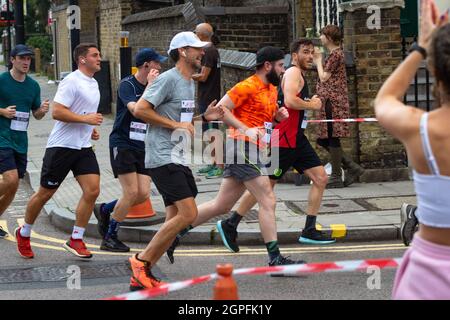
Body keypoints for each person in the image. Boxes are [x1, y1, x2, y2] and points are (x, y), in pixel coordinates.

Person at [167, 46, 307, 267]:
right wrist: (244, 129)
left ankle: (172, 235)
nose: (283, 70)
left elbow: (262, 123)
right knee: (268, 199)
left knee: (221, 205)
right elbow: (222, 109)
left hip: (252, 148)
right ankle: (274, 257)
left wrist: (277, 120)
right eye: (280, 65)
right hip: (242, 146)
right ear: (267, 65)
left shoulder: (271, 89)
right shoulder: (248, 85)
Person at [211, 39, 336, 252]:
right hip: (284, 140)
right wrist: (312, 105)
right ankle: (231, 223)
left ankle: (309, 229)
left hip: (296, 138)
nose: (309, 56)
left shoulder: (297, 73)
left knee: (320, 177)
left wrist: (319, 62)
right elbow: (289, 101)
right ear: (293, 56)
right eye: (305, 52)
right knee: (265, 188)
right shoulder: (294, 72)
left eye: (312, 52)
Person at [128, 31, 224, 291]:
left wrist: (204, 118)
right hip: (161, 155)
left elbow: (181, 120)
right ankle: (140, 261)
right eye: (197, 49)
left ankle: (142, 274)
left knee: (173, 216)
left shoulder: (189, 82)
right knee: (188, 213)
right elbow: (140, 109)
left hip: (177, 156)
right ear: (183, 51)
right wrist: (174, 125)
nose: (202, 53)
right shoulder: (168, 79)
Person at [374, 0, 450, 299]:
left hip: (428, 274)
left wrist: (420, 47)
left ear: (432, 68)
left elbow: (384, 100)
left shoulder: (421, 129)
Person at [15, 43, 103, 259]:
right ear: (82, 59)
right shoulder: (71, 81)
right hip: (61, 147)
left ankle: (76, 238)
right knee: (45, 193)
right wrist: (86, 119)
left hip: (82, 147)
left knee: (92, 190)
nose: (99, 58)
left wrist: (89, 128)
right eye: (95, 55)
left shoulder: (93, 83)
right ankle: (24, 232)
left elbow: (82, 112)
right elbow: (57, 112)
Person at [93, 48, 167, 252]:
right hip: (122, 143)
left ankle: (105, 209)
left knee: (142, 194)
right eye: (157, 64)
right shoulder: (127, 85)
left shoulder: (156, 86)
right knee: (131, 191)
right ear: (146, 66)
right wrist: (151, 87)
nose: (160, 67)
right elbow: (136, 109)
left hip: (142, 145)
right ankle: (109, 237)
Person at [0, 45, 50, 238]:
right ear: (12, 59)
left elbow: (35, 114)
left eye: (29, 59)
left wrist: (42, 111)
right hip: (2, 137)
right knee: (10, 178)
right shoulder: (2, 81)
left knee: (14, 184)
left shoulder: (33, 86)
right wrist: (3, 111)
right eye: (22, 58)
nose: (26, 62)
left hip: (21, 140)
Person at [314, 25, 364, 188]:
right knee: (323, 140)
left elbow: (323, 77)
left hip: (333, 102)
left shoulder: (336, 55)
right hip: (328, 100)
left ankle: (336, 176)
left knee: (331, 137)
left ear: (328, 38)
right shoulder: (335, 54)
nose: (320, 37)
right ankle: (352, 167)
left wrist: (318, 61)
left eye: (322, 35)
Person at [192, 23, 223, 179]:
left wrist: (185, 75)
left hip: (209, 98)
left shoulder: (209, 51)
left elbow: (203, 76)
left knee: (213, 132)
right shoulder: (209, 51)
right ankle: (213, 163)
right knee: (208, 132)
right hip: (207, 96)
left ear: (201, 35)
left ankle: (219, 166)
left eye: (195, 32)